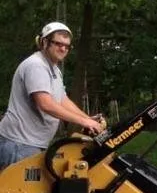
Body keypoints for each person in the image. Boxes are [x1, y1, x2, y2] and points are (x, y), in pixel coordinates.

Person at [0, 22, 106, 170]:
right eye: (58, 43)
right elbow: (45, 104)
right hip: (19, 144)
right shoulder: (36, 65)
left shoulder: (55, 70)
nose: (63, 48)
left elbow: (62, 100)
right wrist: (84, 122)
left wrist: (88, 119)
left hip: (32, 143)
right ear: (44, 42)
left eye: (67, 46)